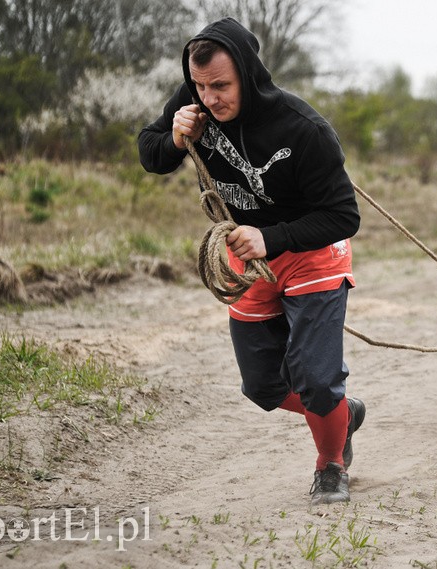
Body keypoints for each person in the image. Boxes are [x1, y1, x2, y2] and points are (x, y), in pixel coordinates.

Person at [138, 17, 364, 505]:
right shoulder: (193, 103)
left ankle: (330, 465)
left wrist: (273, 237)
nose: (210, 98)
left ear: (247, 73)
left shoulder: (304, 130)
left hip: (311, 254)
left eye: (221, 86)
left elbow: (344, 216)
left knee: (317, 379)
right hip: (248, 257)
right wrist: (174, 138)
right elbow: (150, 154)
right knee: (261, 385)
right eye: (200, 87)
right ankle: (341, 414)